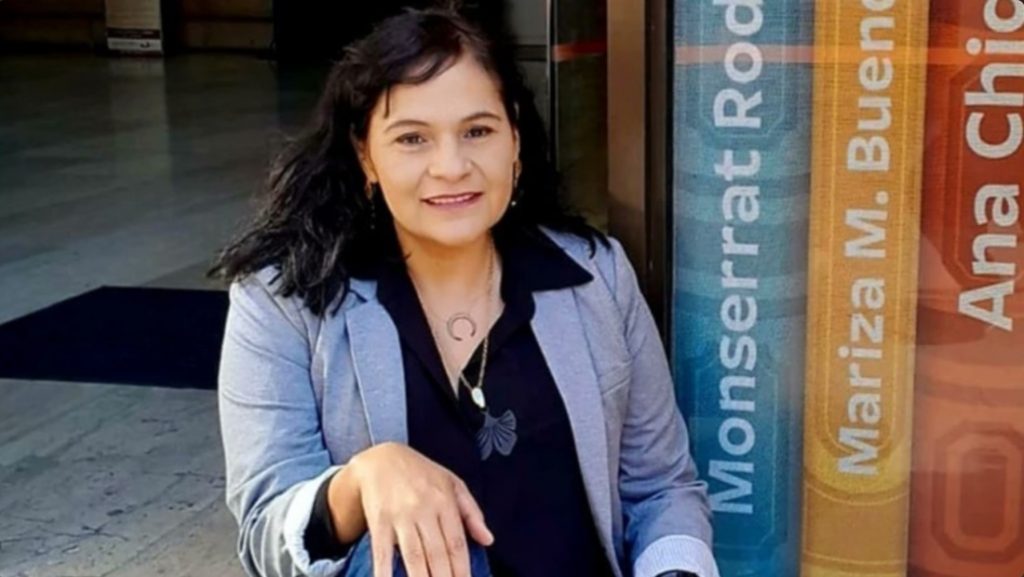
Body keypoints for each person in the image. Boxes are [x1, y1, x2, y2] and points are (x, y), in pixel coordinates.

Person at [211, 7, 718, 577]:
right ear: (365, 156)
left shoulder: (595, 275)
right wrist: (360, 483)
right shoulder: (283, 301)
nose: (451, 166)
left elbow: (661, 488)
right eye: (412, 139)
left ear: (514, 140)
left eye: (478, 131)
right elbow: (265, 532)